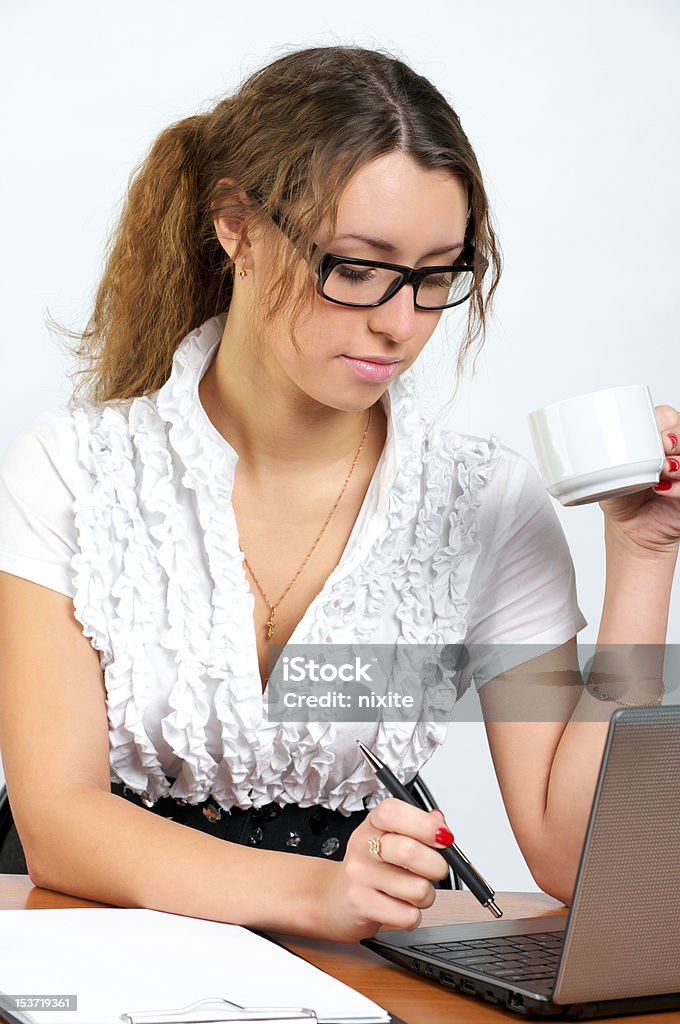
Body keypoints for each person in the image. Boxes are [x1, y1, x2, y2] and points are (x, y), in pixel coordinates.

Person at [0, 44, 678, 944]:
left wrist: (643, 559)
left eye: (435, 277)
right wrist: (317, 892)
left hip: (338, 965)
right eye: (357, 267)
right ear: (237, 225)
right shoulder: (73, 469)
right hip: (87, 938)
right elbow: (58, 824)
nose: (399, 324)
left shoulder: (487, 503)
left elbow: (568, 855)